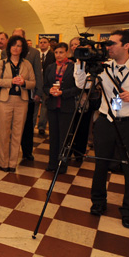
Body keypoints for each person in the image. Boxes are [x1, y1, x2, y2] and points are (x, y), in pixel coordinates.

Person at [74, 30, 129, 229]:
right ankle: (98, 203)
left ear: (126, 45)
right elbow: (80, 84)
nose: (107, 47)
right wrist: (80, 62)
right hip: (106, 120)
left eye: (112, 43)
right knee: (100, 164)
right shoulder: (103, 66)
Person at [0, 35, 36, 173]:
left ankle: (12, 163)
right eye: (14, 45)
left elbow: (33, 83)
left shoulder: (27, 64)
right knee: (3, 133)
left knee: (17, 133)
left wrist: (24, 83)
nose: (16, 48)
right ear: (9, 47)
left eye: (19, 46)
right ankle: (3, 162)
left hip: (22, 102)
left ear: (23, 48)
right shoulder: (2, 63)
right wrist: (11, 81)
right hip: (4, 101)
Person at [43, 43, 79, 173]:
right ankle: (52, 163)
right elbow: (45, 86)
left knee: (64, 138)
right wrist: (50, 90)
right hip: (53, 106)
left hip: (66, 106)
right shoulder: (50, 67)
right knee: (53, 137)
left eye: (61, 52)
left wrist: (63, 93)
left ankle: (62, 165)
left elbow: (78, 88)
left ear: (67, 53)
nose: (58, 55)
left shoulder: (73, 67)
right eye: (56, 52)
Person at [12, 28, 43, 162]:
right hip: (10, 95)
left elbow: (38, 73)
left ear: (24, 38)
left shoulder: (34, 53)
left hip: (27, 94)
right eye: (14, 38)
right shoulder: (5, 53)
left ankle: (27, 151)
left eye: (19, 38)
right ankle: (9, 151)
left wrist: (38, 92)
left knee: (27, 125)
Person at [36, 37, 55, 136]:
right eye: (41, 42)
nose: (42, 44)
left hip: (47, 83)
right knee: (35, 104)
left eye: (44, 42)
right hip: (36, 83)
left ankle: (41, 126)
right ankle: (31, 125)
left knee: (44, 106)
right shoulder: (36, 54)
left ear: (48, 44)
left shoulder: (52, 55)